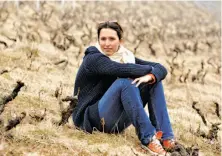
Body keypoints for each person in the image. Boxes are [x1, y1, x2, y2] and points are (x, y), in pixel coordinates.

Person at [72, 21, 175, 156]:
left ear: (120, 41)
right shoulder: (93, 58)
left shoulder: (125, 57)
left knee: (154, 81)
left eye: (112, 39)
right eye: (103, 39)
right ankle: (148, 138)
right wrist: (151, 71)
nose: (107, 43)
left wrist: (151, 76)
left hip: (115, 120)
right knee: (125, 83)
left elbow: (161, 68)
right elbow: (121, 69)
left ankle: (165, 137)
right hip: (92, 120)